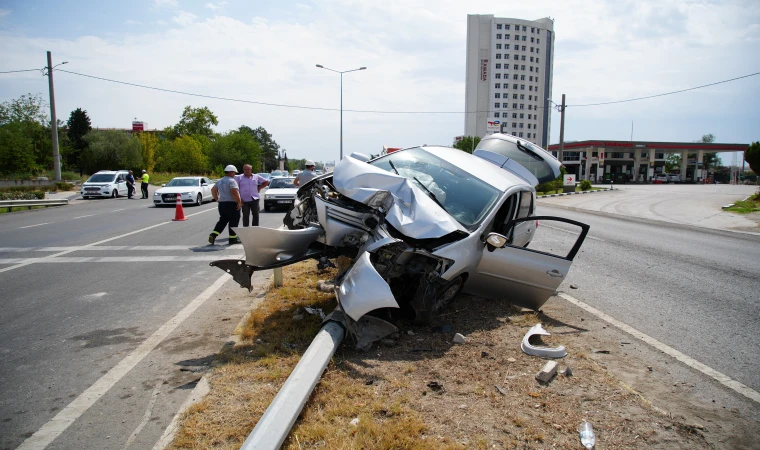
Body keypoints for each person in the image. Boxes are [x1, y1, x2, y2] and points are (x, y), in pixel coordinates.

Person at [209, 165, 243, 245]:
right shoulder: (232, 181)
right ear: (231, 172)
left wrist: (217, 199)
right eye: (234, 172)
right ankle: (232, 239)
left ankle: (213, 235)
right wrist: (238, 202)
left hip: (222, 204)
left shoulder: (220, 181)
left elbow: (213, 190)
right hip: (232, 204)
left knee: (223, 220)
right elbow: (234, 192)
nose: (234, 174)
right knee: (234, 221)